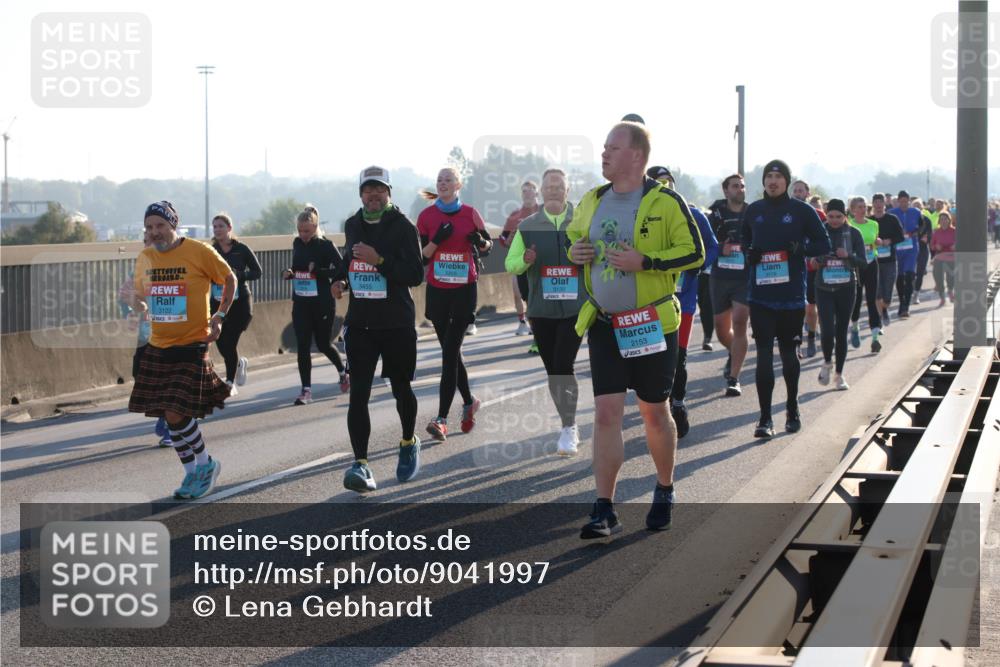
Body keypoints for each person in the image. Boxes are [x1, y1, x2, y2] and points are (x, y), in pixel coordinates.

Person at [566, 121, 704, 537]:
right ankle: (603, 508)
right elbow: (575, 238)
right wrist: (577, 251)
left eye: (613, 148)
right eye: (603, 147)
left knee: (653, 412)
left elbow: (694, 253)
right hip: (606, 323)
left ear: (637, 157)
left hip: (649, 324)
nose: (604, 154)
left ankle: (664, 488)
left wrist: (647, 261)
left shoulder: (666, 202)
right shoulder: (592, 199)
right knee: (607, 413)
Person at [128, 201, 234, 499]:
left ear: (173, 224)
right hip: (159, 345)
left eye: (160, 225)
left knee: (176, 412)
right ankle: (191, 475)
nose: (155, 232)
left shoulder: (199, 251)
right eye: (149, 227)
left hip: (192, 342)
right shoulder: (145, 257)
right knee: (169, 414)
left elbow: (229, 279)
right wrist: (133, 301)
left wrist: (220, 316)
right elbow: (142, 301)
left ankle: (206, 464)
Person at [331, 166, 425, 492]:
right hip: (360, 324)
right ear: (360, 194)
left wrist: (380, 261)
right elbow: (349, 260)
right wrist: (340, 280)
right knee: (359, 394)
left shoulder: (403, 226)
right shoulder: (353, 224)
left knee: (400, 388)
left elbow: (415, 274)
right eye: (368, 190)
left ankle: (408, 441)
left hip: (396, 322)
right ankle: (361, 464)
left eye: (379, 189)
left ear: (389, 193)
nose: (373, 195)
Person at [743, 161, 830, 439]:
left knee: (789, 355)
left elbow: (823, 244)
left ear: (787, 181)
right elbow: (745, 242)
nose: (773, 180)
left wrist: (800, 249)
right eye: (768, 176)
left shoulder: (801, 210)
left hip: (791, 295)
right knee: (764, 356)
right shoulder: (754, 210)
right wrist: (751, 254)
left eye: (778, 176)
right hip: (761, 295)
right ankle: (765, 418)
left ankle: (792, 409)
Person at [505, 168, 585, 454]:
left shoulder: (582, 220)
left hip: (576, 307)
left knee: (564, 364)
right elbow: (511, 264)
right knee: (554, 370)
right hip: (541, 310)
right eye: (548, 185)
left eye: (558, 185)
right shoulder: (527, 226)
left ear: (568, 189)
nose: (553, 189)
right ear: (541, 190)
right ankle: (567, 422)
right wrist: (525, 261)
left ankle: (569, 427)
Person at [417, 167, 492, 440]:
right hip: (438, 290)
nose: (443, 183)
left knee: (449, 353)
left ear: (458, 185)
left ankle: (441, 419)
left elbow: (488, 246)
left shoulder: (470, 213)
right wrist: (438, 239)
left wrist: (480, 241)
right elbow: (422, 259)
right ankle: (470, 401)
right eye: (439, 180)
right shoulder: (426, 217)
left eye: (449, 179)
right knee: (452, 353)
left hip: (464, 289)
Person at [649, 166, 718, 438]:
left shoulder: (694, 214)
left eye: (669, 182)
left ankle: (678, 403)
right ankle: (657, 407)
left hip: (683, 301)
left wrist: (697, 266)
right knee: (651, 361)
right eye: (658, 182)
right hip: (648, 302)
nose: (665, 186)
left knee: (677, 358)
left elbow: (711, 247)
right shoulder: (639, 217)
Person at [282, 205, 349, 405]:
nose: (303, 235)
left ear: (316, 227)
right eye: (300, 231)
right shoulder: (297, 243)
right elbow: (297, 266)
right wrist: (289, 272)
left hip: (322, 302)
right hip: (301, 302)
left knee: (322, 344)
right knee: (302, 346)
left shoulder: (325, 246)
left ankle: (342, 372)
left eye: (307, 231)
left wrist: (319, 271)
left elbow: (341, 270)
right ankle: (306, 390)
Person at [120, 231, 170, 447]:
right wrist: (130, 311)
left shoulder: (174, 266)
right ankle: (163, 414)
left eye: (152, 240)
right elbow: (124, 296)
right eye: (145, 241)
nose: (148, 244)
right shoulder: (138, 269)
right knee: (140, 375)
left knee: (167, 379)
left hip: (170, 334)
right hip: (145, 335)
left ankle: (169, 423)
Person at [813, 199, 866, 390]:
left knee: (841, 331)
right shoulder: (820, 232)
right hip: (824, 287)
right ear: (826, 215)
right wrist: (818, 260)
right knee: (827, 330)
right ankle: (827, 362)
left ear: (845, 216)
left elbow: (863, 262)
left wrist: (848, 256)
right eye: (831, 216)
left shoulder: (853, 233)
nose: (834, 220)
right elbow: (809, 258)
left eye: (839, 217)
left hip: (846, 287)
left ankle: (839, 375)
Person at [209, 213, 261, 395]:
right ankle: (238, 364)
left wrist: (239, 275)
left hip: (240, 303)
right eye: (214, 227)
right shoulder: (211, 250)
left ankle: (230, 383)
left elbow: (257, 272)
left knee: (229, 341)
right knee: (220, 341)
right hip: (218, 302)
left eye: (221, 226)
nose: (217, 230)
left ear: (230, 228)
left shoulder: (242, 249)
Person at [708, 174, 750, 397]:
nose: (740, 189)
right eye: (735, 186)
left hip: (744, 277)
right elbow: (704, 242)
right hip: (720, 276)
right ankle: (734, 352)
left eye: (742, 186)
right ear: (726, 191)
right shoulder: (715, 213)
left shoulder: (753, 212)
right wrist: (718, 250)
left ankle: (734, 378)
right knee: (721, 329)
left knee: (741, 319)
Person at [499, 180, 540, 341]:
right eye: (524, 191)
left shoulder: (545, 211)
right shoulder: (515, 215)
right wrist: (510, 237)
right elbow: (503, 240)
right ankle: (523, 321)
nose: (528, 193)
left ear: (537, 193)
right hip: (520, 260)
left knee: (537, 296)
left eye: (531, 190)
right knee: (519, 294)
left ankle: (538, 329)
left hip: (541, 261)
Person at [791, 180, 823, 358]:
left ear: (807, 193)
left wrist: (818, 257)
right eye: (795, 191)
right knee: (794, 309)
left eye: (800, 191)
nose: (797, 193)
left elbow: (826, 240)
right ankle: (796, 343)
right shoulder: (785, 212)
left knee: (810, 308)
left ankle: (811, 337)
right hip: (790, 269)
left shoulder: (819, 214)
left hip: (811, 269)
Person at [847, 196, 884, 353]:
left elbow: (875, 240)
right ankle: (855, 327)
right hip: (856, 265)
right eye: (859, 207)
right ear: (853, 209)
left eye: (864, 206)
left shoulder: (874, 223)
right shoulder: (849, 225)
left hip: (871, 263)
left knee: (872, 299)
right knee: (856, 299)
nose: (862, 209)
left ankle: (875, 338)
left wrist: (878, 242)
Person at [870, 193, 905, 327]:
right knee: (876, 292)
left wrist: (889, 241)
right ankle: (879, 317)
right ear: (873, 204)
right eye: (876, 202)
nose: (878, 205)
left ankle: (885, 308)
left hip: (890, 261)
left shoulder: (892, 219)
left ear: (885, 204)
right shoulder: (869, 221)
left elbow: (901, 237)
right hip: (874, 261)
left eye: (881, 202)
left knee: (887, 294)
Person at [888, 190, 922, 318]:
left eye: (905, 201)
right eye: (901, 201)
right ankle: (902, 302)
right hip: (897, 249)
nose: (903, 204)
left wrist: (917, 232)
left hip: (911, 248)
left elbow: (923, 226)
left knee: (909, 276)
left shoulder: (916, 212)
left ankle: (905, 306)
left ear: (909, 201)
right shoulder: (892, 213)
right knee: (900, 277)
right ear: (898, 202)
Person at [930, 210, 957, 306]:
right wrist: (936, 246)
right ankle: (942, 297)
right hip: (940, 257)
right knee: (937, 277)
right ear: (939, 221)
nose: (943, 221)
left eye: (945, 219)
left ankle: (950, 291)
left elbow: (962, 243)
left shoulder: (954, 231)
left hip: (952, 257)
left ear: (949, 220)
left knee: (951, 277)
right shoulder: (936, 232)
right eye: (941, 219)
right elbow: (932, 245)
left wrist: (956, 246)